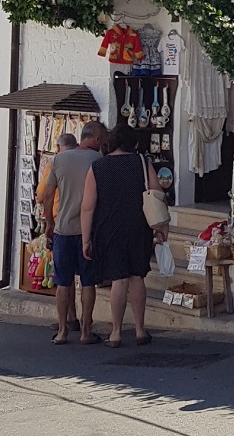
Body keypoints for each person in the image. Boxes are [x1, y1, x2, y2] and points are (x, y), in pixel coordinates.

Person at [80, 122, 168, 348]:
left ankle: (116, 332)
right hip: (138, 226)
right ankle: (140, 329)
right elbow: (157, 192)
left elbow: (88, 207)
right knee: (137, 277)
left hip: (109, 228)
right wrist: (160, 225)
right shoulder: (141, 162)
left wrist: (86, 239)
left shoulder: (98, 167)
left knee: (119, 279)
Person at [43, 120, 105, 344]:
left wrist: (49, 223)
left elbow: (47, 196)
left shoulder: (59, 159)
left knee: (62, 281)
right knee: (87, 282)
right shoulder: (98, 160)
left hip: (63, 229)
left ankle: (62, 331)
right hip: (88, 231)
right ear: (97, 139)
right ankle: (87, 332)